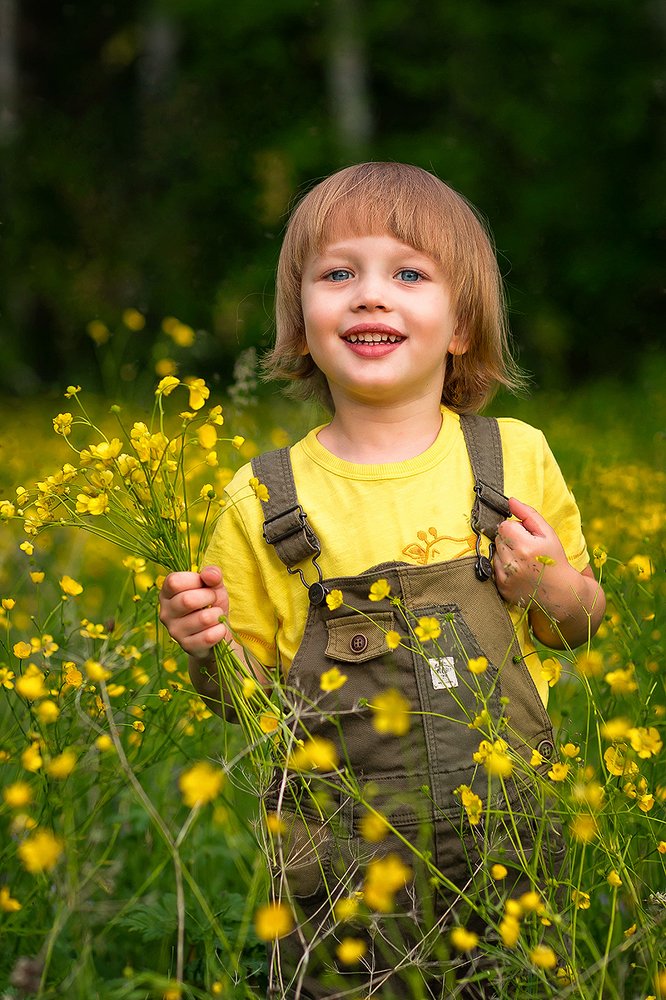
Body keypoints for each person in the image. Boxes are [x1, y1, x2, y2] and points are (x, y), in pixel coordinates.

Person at [159, 162, 605, 999]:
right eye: (338, 274)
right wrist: (204, 643)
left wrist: (554, 588)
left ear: (461, 324)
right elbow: (241, 698)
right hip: (343, 882)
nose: (370, 295)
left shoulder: (513, 458)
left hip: (509, 859)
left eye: (408, 273)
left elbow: (578, 625)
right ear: (300, 325)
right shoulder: (261, 498)